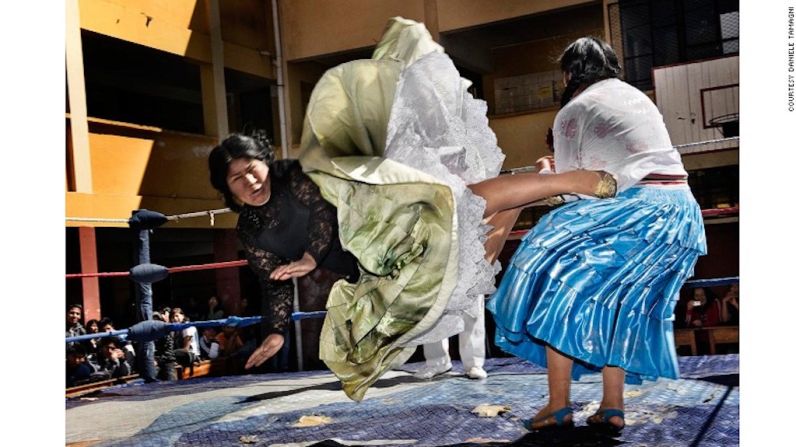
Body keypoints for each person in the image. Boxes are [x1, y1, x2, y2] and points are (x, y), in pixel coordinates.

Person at [208, 18, 613, 401]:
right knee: (463, 265)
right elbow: (274, 281)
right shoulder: (252, 228)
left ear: (264, 160)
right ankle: (538, 188)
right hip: (371, 259)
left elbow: (322, 211)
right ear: (227, 189)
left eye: (251, 168)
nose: (249, 180)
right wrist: (276, 331)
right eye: (236, 178)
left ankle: (550, 184)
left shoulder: (296, 175)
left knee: (463, 238)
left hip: (383, 229)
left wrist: (312, 254)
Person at [486, 36, 707, 435]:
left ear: (569, 74)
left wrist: (541, 175)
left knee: (551, 277)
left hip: (636, 209)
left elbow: (572, 189)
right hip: (680, 216)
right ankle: (612, 407)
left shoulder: (575, 109)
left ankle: (557, 405)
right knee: (619, 303)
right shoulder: (636, 96)